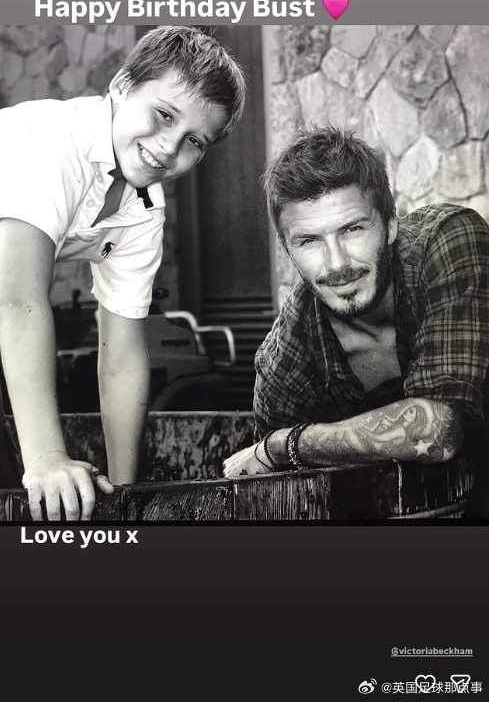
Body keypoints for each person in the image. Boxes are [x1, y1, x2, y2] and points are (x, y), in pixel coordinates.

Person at [0, 26, 245, 521]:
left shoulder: (144, 209)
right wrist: (46, 459)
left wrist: (126, 499)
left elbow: (123, 357)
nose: (169, 148)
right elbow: (18, 300)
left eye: (194, 141)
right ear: (121, 85)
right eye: (164, 115)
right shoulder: (51, 143)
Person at [223, 127, 489, 514]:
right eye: (309, 240)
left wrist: (286, 445)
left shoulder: (448, 242)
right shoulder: (285, 359)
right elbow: (278, 499)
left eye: (352, 229)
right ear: (287, 250)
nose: (336, 264)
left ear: (391, 224)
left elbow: (437, 431)